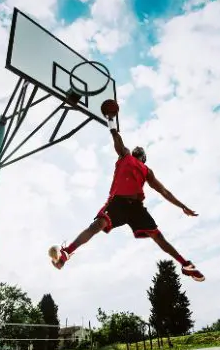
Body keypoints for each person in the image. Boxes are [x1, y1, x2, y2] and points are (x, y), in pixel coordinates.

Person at [48, 114, 205, 282]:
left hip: (136, 207)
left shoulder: (147, 171)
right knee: (98, 225)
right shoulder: (125, 156)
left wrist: (182, 206)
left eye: (141, 151)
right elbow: (117, 139)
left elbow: (164, 191)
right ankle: (66, 253)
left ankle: (186, 265)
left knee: (158, 237)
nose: (138, 149)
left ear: (144, 158)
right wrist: (112, 123)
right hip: (118, 202)